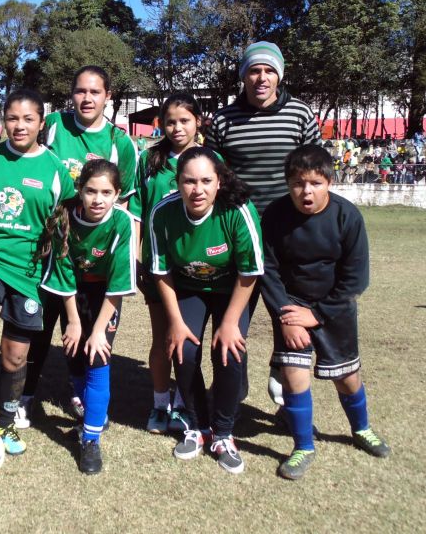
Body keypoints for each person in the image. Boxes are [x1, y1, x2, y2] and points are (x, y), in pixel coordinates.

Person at [0, 89, 76, 455]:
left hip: (28, 268)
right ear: (3, 120)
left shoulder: (55, 170)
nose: (19, 126)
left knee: (14, 356)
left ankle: (6, 424)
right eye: (12, 118)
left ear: (41, 122)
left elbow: (65, 222)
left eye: (28, 119)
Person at [16, 65, 137, 430]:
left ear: (108, 96)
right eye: (80, 91)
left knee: (87, 331)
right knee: (38, 330)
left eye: (95, 92)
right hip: (50, 251)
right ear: (71, 94)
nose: (87, 98)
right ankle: (23, 399)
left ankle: (80, 389)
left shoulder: (121, 143)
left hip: (95, 261)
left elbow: (124, 208)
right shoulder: (52, 124)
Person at [261, 145, 390, 480]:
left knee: (347, 378)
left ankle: (361, 429)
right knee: (293, 375)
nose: (307, 192)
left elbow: (355, 278)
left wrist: (317, 314)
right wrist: (286, 315)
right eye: (299, 183)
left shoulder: (348, 216)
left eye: (315, 183)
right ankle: (303, 446)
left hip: (334, 309)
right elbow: (268, 272)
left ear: (329, 181)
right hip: (291, 309)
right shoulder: (274, 215)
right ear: (288, 183)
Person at [206, 41, 320, 408]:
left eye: (269, 70)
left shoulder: (300, 114)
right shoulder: (223, 120)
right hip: (239, 232)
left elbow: (317, 171)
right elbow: (211, 175)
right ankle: (232, 392)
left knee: (287, 314)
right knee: (234, 315)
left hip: (290, 233)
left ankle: (283, 379)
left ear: (280, 75)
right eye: (254, 70)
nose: (262, 77)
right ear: (243, 76)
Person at [148, 147, 263, 474]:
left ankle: (224, 434)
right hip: (188, 288)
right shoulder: (163, 213)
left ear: (219, 182)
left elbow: (251, 271)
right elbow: (160, 271)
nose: (197, 190)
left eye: (205, 181)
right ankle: (196, 428)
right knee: (182, 348)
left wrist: (229, 324)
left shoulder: (238, 210)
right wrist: (175, 322)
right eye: (188, 181)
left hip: (233, 289)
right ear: (178, 182)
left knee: (228, 349)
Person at [41, 159, 135, 474]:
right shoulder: (65, 219)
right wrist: (75, 321)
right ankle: (87, 405)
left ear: (118, 194)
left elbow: (120, 284)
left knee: (97, 354)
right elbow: (64, 275)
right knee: (73, 348)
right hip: (73, 293)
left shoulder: (122, 222)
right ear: (80, 190)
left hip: (106, 294)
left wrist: (97, 331)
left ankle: (91, 439)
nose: (98, 199)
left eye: (106, 192)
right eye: (91, 191)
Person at [128, 92, 202, 434]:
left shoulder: (211, 160)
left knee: (188, 341)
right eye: (170, 121)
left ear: (198, 122)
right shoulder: (151, 160)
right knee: (161, 339)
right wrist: (137, 261)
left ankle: (185, 404)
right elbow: (138, 214)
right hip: (159, 267)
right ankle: (160, 405)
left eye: (184, 120)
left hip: (198, 267)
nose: (177, 127)